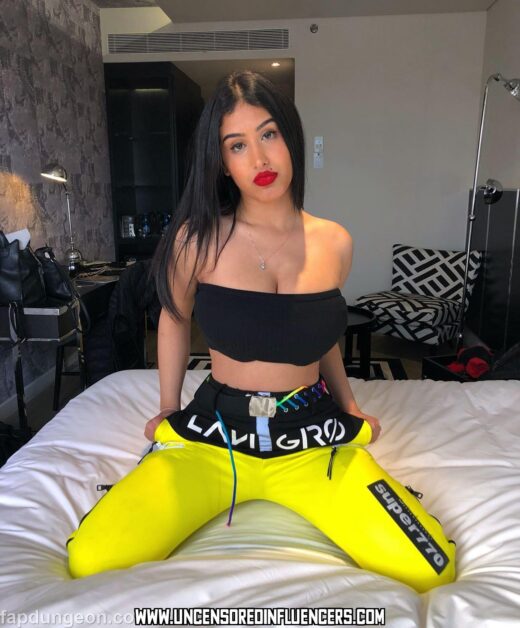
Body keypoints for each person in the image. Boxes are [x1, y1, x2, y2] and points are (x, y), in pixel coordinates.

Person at [67, 71, 456, 591]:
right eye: (237, 145)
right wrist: (167, 406)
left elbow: (321, 335)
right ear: (221, 162)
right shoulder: (197, 239)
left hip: (310, 437)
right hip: (214, 436)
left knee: (430, 565)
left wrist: (349, 406)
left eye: (269, 134)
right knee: (91, 557)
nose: (259, 159)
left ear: (290, 137)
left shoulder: (334, 242)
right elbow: (174, 318)